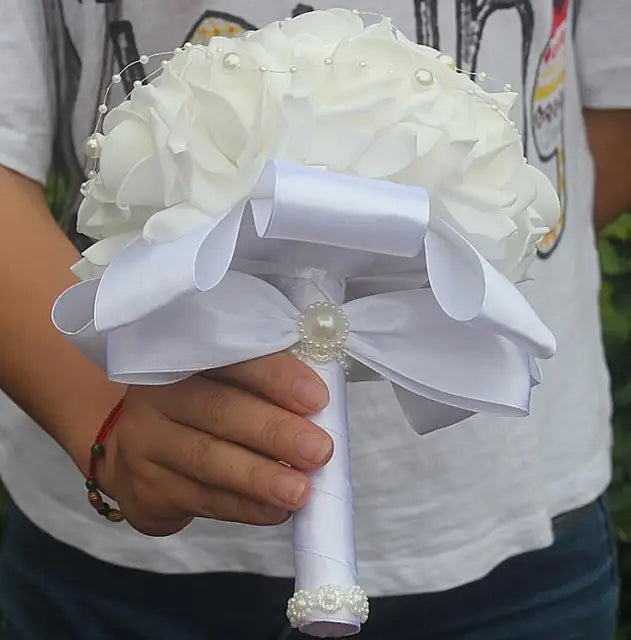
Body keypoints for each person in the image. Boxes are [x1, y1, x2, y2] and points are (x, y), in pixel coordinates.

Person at [0, 1, 629, 638]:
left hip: (523, 536)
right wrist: (101, 414)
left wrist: (433, 279)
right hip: (121, 556)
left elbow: (618, 94)